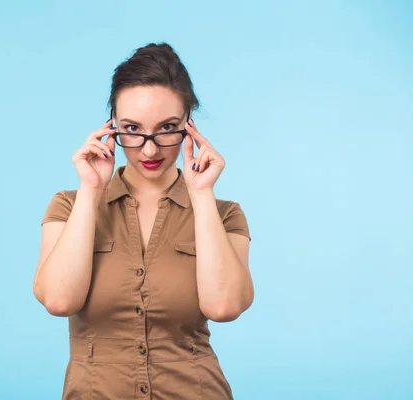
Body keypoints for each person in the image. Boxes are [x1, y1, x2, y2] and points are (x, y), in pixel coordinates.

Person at [33, 42, 253, 399]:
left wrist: (201, 196)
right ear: (111, 127)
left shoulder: (224, 214)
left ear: (189, 125)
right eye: (131, 129)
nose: (149, 150)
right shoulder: (69, 206)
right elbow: (59, 300)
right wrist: (90, 192)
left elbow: (224, 307)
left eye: (167, 127)